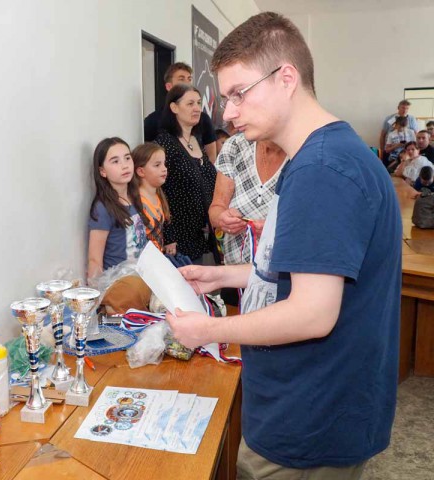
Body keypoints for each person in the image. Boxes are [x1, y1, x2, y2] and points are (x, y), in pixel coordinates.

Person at [167, 12, 401, 479]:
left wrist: (209, 330)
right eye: (226, 98)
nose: (228, 113)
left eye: (239, 93)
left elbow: (313, 313)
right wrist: (222, 274)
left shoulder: (322, 171)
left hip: (310, 418)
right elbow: (304, 271)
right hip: (311, 404)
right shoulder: (323, 156)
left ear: (286, 78)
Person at [154, 84, 217, 262]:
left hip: (200, 235)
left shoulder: (197, 140)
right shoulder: (165, 143)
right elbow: (158, 191)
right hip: (177, 239)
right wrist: (169, 235)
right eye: (190, 104)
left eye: (198, 103)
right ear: (174, 107)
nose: (197, 108)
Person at [209, 134, 287, 265]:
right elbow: (216, 208)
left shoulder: (302, 152)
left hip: (282, 270)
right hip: (233, 269)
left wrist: (277, 229)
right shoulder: (235, 145)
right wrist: (222, 219)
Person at [87, 137, 147, 280]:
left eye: (127, 158)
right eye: (115, 161)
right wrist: (98, 289)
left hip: (141, 278)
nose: (124, 165)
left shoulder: (134, 197)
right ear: (102, 171)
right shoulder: (102, 208)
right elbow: (94, 260)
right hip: (119, 284)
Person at [143, 62, 217, 162]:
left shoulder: (203, 119)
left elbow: (212, 158)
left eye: (189, 79)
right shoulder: (153, 121)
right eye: (181, 79)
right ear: (169, 86)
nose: (187, 83)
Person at [132, 143, 170, 252]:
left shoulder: (158, 194)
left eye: (164, 164)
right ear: (141, 171)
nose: (164, 169)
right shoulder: (138, 202)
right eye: (157, 165)